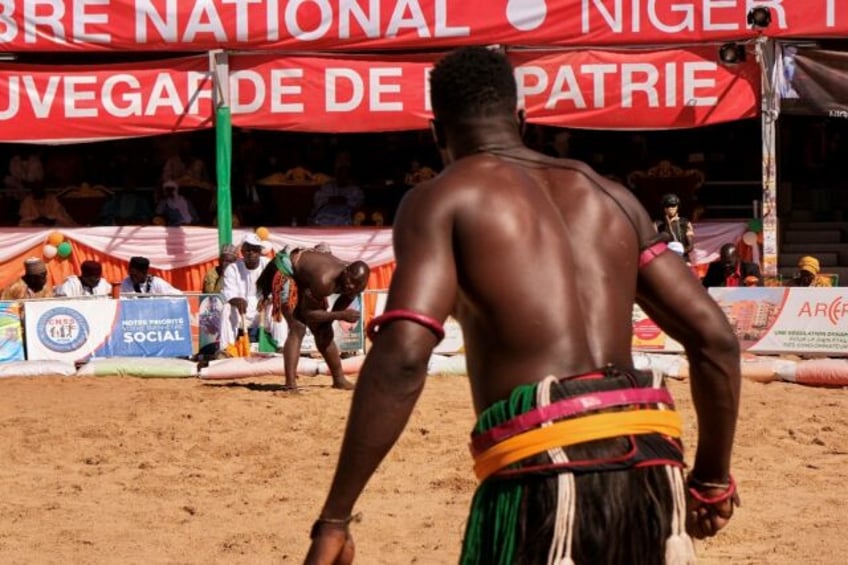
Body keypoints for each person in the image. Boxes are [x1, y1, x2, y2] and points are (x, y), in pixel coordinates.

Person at [305, 47, 741, 564]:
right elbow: (714, 338)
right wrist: (711, 478)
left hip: (544, 471)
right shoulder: (611, 196)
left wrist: (335, 515)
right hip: (649, 468)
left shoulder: (441, 198)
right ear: (521, 120)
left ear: (436, 132)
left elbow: (403, 353)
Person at [256, 245, 369, 391]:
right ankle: (290, 384)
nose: (350, 286)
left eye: (355, 285)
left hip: (306, 276)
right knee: (298, 326)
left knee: (324, 332)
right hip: (287, 270)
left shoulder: (356, 286)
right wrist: (341, 315)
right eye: (350, 281)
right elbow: (309, 314)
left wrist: (331, 319)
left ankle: (339, 379)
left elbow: (334, 311)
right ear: (346, 271)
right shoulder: (324, 281)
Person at [218, 234, 286, 357]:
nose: (251, 253)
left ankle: (282, 347)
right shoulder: (233, 268)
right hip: (242, 312)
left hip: (263, 311)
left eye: (255, 249)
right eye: (248, 249)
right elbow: (229, 292)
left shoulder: (269, 266)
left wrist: (268, 299)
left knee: (277, 307)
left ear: (260, 252)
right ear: (242, 252)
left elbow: (278, 289)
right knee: (227, 308)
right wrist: (235, 300)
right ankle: (227, 349)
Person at [310, 152, 364, 226]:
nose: (342, 177)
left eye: (345, 174)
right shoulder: (328, 187)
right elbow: (317, 199)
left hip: (344, 217)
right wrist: (330, 199)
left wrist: (345, 200)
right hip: (325, 216)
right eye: (340, 173)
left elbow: (358, 203)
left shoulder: (354, 190)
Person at [655, 193, 695, 262]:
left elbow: (690, 246)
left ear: (677, 206)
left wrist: (678, 252)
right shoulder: (657, 224)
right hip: (666, 260)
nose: (670, 208)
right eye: (667, 206)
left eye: (673, 205)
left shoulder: (685, 223)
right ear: (664, 208)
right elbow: (655, 245)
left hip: (683, 259)